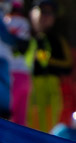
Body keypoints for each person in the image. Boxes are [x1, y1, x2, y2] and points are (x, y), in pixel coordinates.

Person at [26, 0, 73, 133]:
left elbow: (67, 65)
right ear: (32, 13)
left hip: (50, 92)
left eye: (50, 13)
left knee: (46, 132)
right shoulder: (23, 34)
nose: (46, 16)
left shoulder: (57, 40)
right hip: (26, 89)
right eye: (42, 11)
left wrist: (45, 60)